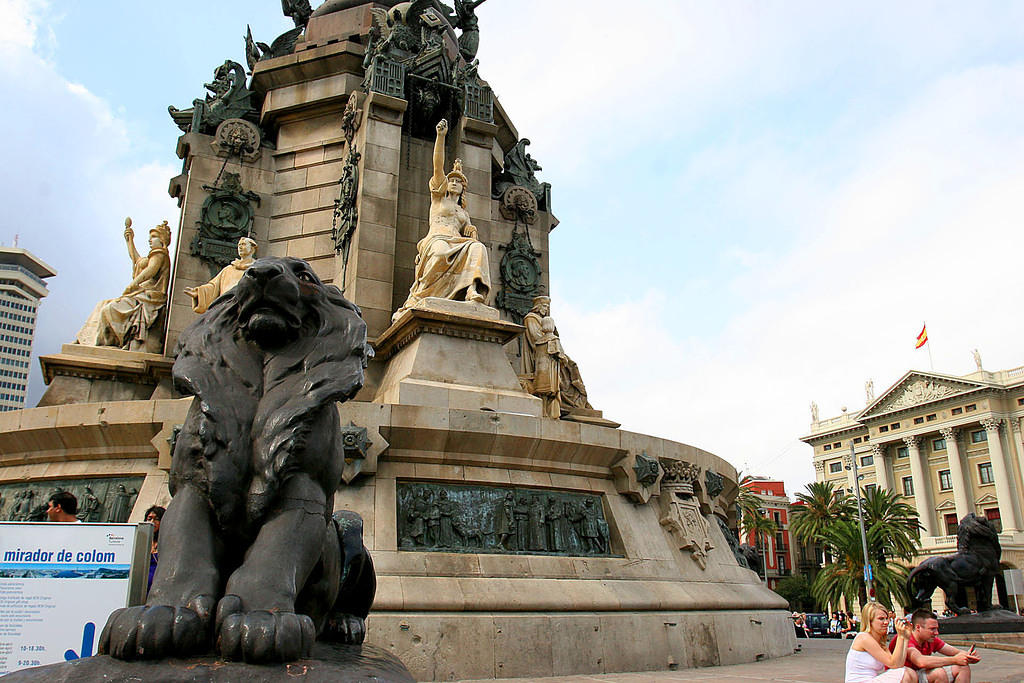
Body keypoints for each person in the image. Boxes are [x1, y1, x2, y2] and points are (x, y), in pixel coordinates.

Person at [392, 118, 490, 321]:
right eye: (451, 180)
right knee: (439, 253)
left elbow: (469, 231)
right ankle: (420, 296)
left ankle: (472, 291)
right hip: (436, 239)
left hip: (458, 241)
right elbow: (438, 166)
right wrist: (441, 136)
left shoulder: (463, 213)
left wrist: (471, 231)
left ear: (463, 188)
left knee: (477, 248)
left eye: (458, 182)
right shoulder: (438, 198)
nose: (453, 183)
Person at [77, 218, 172, 353]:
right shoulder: (152, 256)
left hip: (149, 298)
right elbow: (137, 260)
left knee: (108, 309)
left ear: (162, 240)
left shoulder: (160, 254)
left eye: (154, 237)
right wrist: (130, 240)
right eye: (150, 237)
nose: (150, 240)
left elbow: (150, 271)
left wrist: (133, 284)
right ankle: (87, 340)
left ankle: (106, 342)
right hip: (140, 296)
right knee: (102, 305)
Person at [889, 609, 979, 683]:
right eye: (932, 629)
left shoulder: (930, 639)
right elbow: (921, 661)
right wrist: (955, 659)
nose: (936, 633)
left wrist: (968, 656)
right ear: (918, 627)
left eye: (936, 629)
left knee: (963, 667)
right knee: (939, 673)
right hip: (903, 678)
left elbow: (954, 651)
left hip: (918, 674)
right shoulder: (905, 637)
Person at [845, 602, 916, 683]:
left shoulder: (880, 642)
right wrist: (900, 636)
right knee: (906, 673)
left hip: (870, 680)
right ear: (870, 621)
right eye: (881, 619)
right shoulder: (863, 638)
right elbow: (894, 664)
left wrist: (905, 638)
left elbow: (898, 664)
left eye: (887, 618)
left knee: (910, 673)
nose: (886, 622)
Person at [184, 236, 258, 313]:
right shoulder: (228, 269)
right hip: (225, 310)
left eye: (243, 244)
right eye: (239, 245)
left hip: (245, 311)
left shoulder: (256, 270)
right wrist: (199, 292)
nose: (240, 247)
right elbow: (213, 286)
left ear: (252, 249)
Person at [144, 505, 165, 591]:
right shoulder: (141, 541)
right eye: (149, 519)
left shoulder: (166, 541)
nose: (152, 522)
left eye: (156, 519)